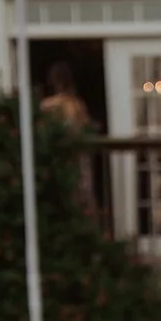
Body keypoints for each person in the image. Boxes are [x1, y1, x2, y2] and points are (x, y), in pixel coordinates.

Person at [40, 60, 96, 215]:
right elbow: (86, 127)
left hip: (64, 157)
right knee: (81, 194)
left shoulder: (47, 105)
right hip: (76, 156)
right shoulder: (76, 104)